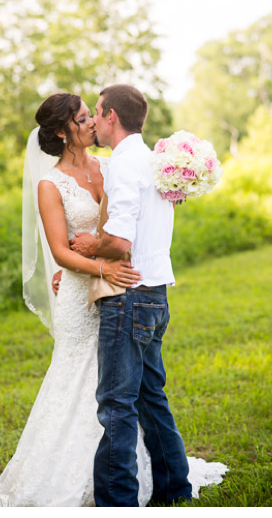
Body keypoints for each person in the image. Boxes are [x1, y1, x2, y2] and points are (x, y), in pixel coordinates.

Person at [0, 90, 226, 507]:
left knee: (124, 394)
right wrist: (96, 266)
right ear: (64, 133)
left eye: (92, 115)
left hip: (124, 288)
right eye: (83, 120)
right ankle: (89, 480)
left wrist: (98, 253)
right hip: (86, 293)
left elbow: (128, 223)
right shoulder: (50, 183)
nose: (92, 123)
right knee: (100, 389)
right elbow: (61, 249)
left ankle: (135, 488)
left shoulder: (112, 165)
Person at [67, 84, 225, 506]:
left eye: (97, 114)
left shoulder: (123, 164)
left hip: (128, 296)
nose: (94, 122)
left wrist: (88, 245)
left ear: (112, 116)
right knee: (151, 396)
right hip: (156, 294)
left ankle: (118, 503)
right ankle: (174, 488)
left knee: (117, 405)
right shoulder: (155, 161)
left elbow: (119, 240)